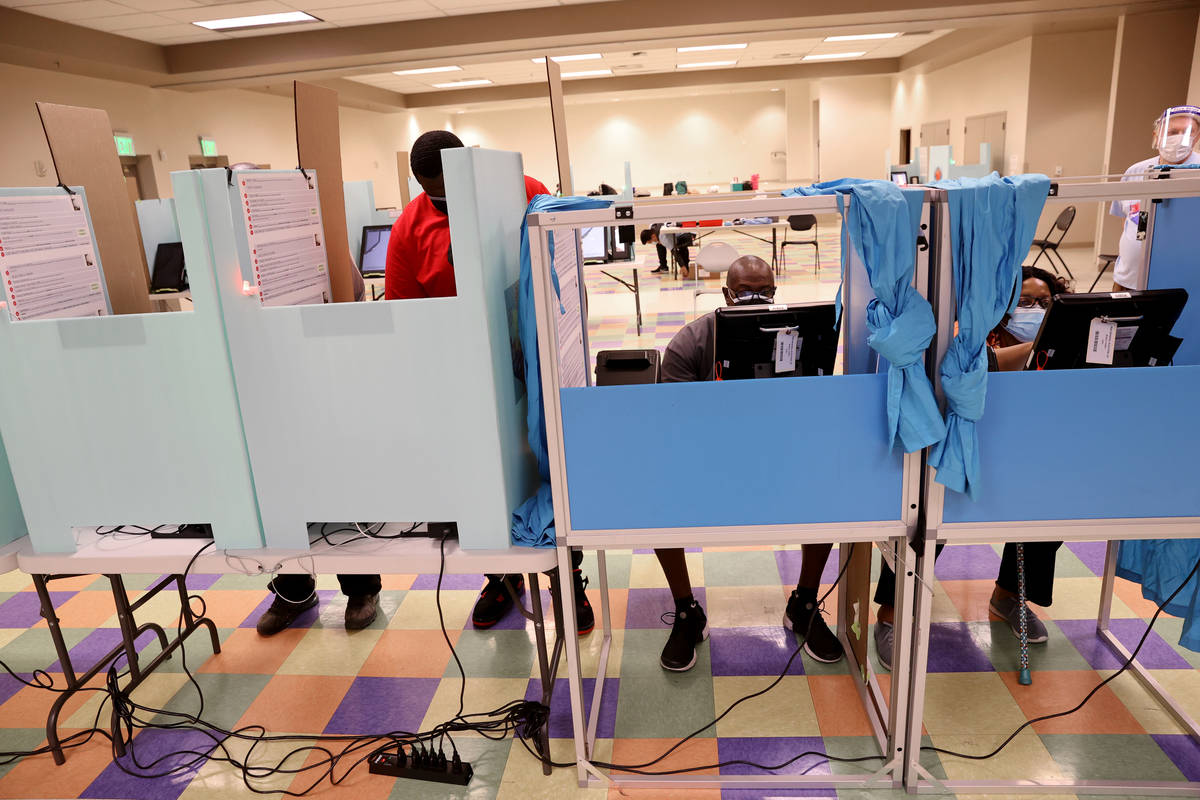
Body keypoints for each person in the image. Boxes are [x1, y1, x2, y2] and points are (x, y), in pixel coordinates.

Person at [384, 129, 595, 636]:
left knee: (554, 467)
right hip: (467, 377)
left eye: (451, 190)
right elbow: (406, 320)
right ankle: (502, 577)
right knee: (482, 481)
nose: (444, 203)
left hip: (537, 359)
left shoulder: (527, 191)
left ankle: (568, 575)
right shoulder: (409, 229)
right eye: (435, 196)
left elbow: (564, 272)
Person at [654, 254, 844, 671]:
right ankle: (686, 610)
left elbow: (816, 406)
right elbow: (675, 427)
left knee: (830, 490)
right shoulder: (691, 342)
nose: (756, 298)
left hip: (779, 460)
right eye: (744, 292)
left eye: (765, 291)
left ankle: (804, 603)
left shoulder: (798, 334)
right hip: (709, 465)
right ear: (726, 294)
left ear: (775, 293)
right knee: (658, 498)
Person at [872, 266, 1069, 668]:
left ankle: (1008, 597)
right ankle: (890, 616)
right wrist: (1039, 349)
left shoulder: (1064, 351)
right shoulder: (974, 336)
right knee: (929, 517)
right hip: (961, 451)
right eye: (1026, 303)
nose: (1036, 310)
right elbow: (980, 368)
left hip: (1029, 456)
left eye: (1046, 304)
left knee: (1046, 515)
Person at [1110, 105, 1200, 291]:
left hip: (1183, 283)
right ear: (1156, 136)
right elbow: (1128, 221)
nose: (1179, 137)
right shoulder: (1135, 171)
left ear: (1197, 137)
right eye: (1172, 132)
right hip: (1129, 278)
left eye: (1187, 132)